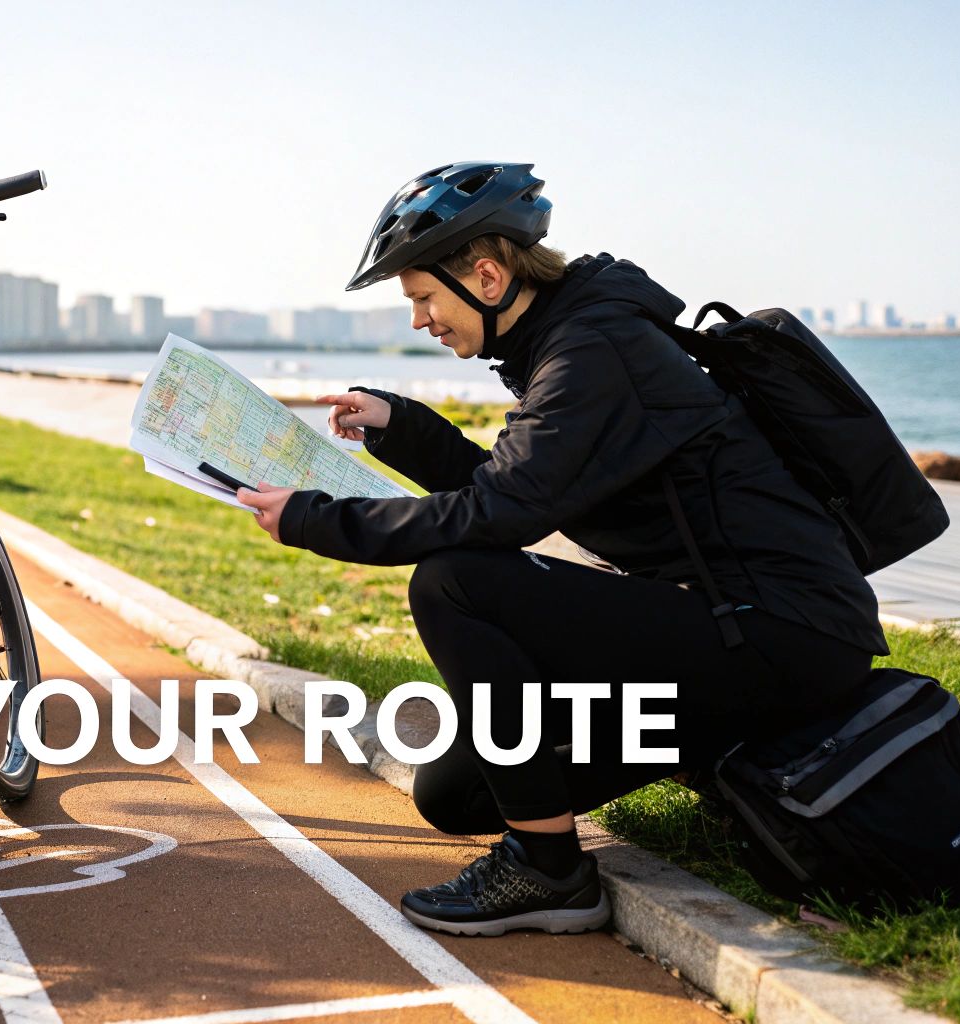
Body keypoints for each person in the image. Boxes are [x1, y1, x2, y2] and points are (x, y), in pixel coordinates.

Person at [234, 163, 886, 937]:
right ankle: (720, 746)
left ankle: (550, 872)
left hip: (782, 630)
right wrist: (401, 427)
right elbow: (520, 489)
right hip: (730, 625)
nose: (420, 321)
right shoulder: (571, 338)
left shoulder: (592, 350)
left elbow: (499, 513)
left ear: (485, 273)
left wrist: (315, 520)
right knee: (457, 794)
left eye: (422, 298)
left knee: (455, 583)